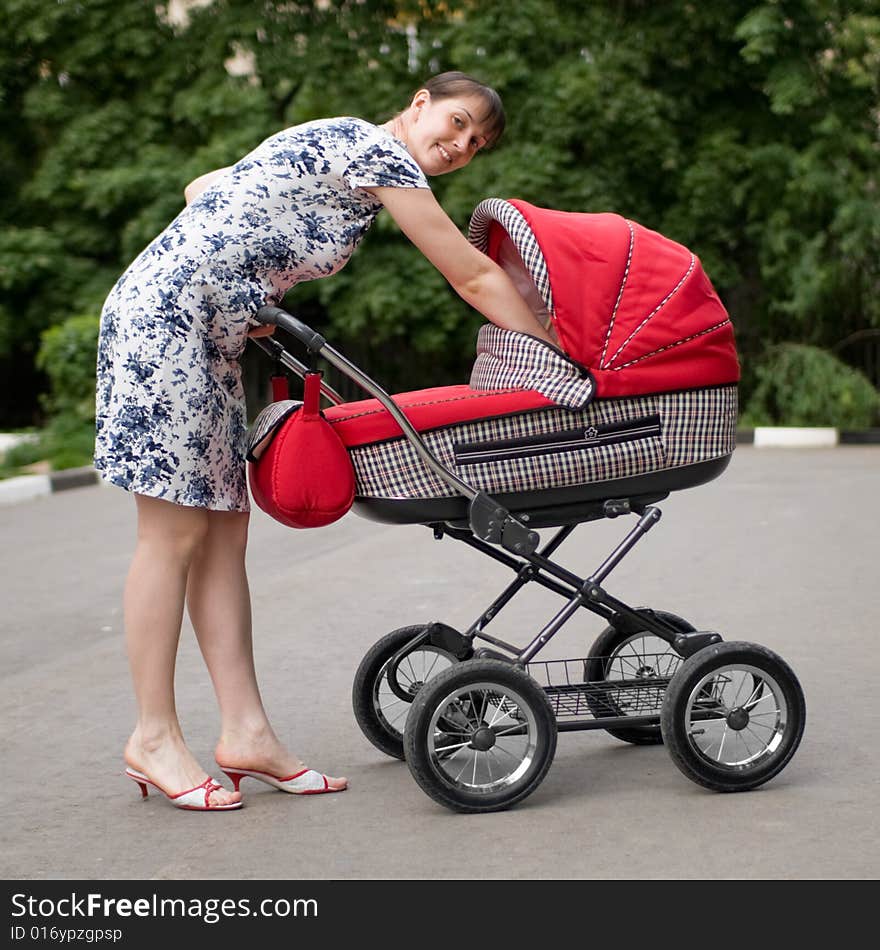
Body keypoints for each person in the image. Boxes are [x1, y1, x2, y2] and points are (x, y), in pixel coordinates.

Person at [95, 71, 555, 811]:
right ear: (419, 105)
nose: (461, 145)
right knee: (172, 535)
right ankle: (152, 736)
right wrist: (557, 351)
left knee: (222, 534)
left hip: (203, 333)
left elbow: (203, 188)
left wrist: (250, 293)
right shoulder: (380, 154)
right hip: (168, 326)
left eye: (477, 144)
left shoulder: (340, 147)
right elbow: (471, 275)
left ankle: (245, 731)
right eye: (458, 122)